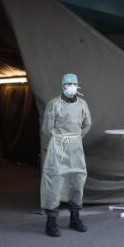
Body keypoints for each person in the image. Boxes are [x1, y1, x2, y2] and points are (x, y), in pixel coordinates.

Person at [40, 73, 91, 237]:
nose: (71, 86)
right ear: (63, 86)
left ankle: (75, 218)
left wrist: (74, 138)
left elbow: (87, 124)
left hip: (76, 147)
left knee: (77, 180)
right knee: (53, 182)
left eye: (74, 83)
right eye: (68, 83)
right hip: (58, 147)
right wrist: (60, 139)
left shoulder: (82, 104)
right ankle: (51, 222)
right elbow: (47, 128)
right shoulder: (54, 104)